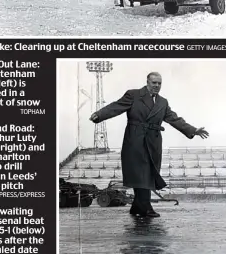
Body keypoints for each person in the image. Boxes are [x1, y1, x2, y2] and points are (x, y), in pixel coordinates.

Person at [89, 72, 209, 218]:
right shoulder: (134, 95)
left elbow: (174, 119)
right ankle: (145, 207)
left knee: (148, 174)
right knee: (140, 175)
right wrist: (99, 115)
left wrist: (193, 130)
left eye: (159, 83)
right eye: (154, 83)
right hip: (135, 140)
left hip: (153, 142)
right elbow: (116, 106)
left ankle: (137, 206)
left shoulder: (163, 102)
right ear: (147, 82)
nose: (157, 86)